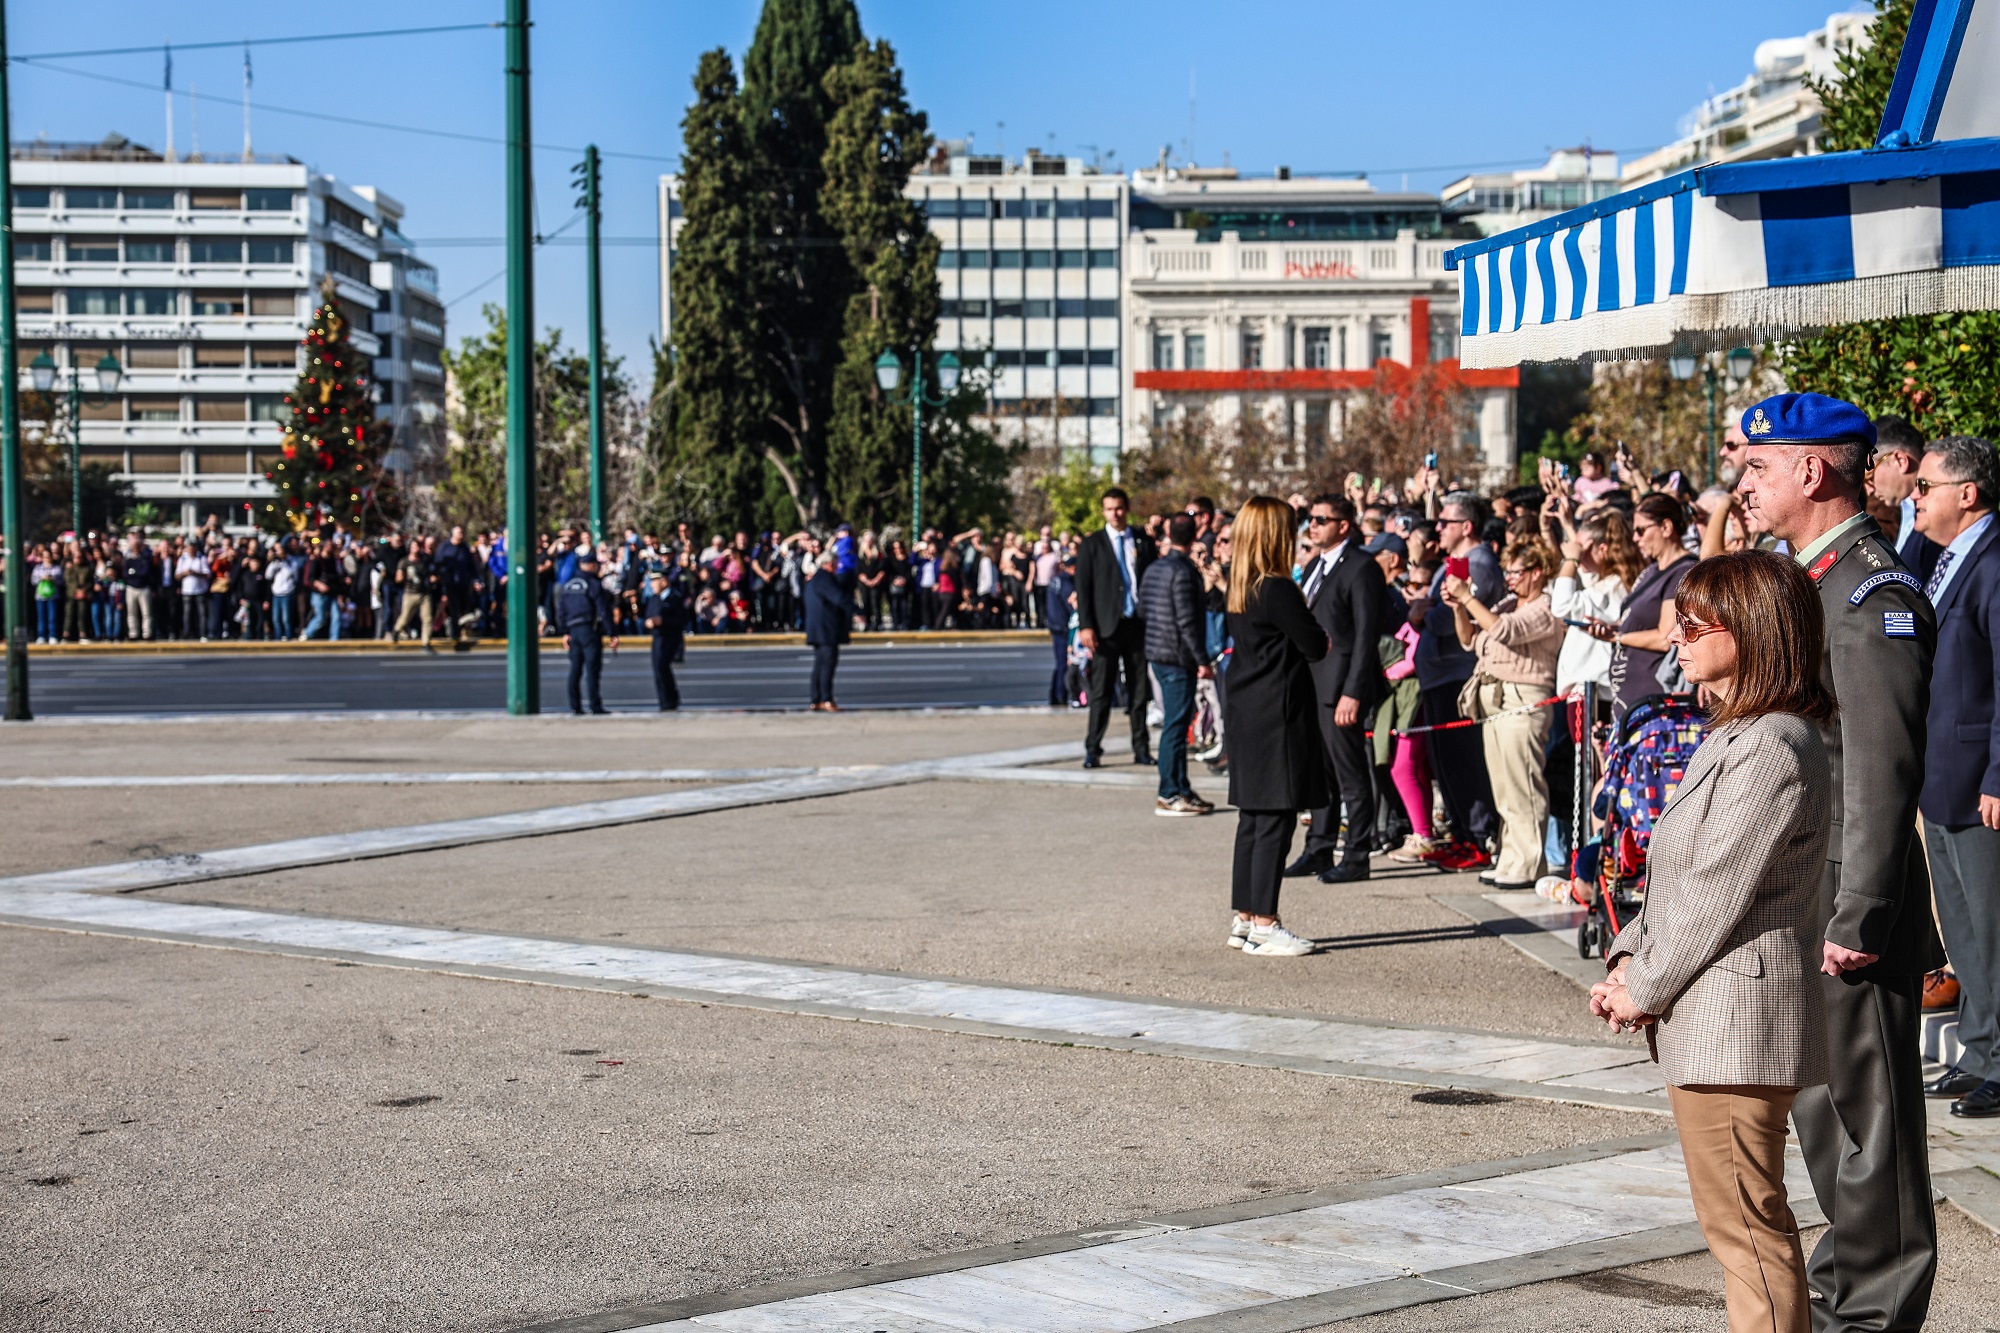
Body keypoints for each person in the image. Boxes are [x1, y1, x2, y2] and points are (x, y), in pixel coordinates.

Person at [1736, 391, 1944, 1332]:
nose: (1743, 484)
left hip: (1845, 900)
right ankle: (1846, 1283)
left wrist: (1858, 914)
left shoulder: (1868, 592)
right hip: (1804, 891)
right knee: (1825, 1114)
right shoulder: (1813, 581)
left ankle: (1879, 1306)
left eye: (1757, 467)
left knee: (1871, 1124)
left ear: (1811, 471)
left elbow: (1878, 767)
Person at [1592, 549, 1837, 1333]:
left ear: (1754, 631)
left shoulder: (1772, 744)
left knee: (1748, 1235)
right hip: (1715, 1012)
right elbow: (1681, 871)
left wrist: (1643, 983)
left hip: (1736, 1019)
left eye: (1697, 622)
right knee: (1739, 1227)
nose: (1678, 635)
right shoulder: (1743, 733)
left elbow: (1715, 888)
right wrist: (1629, 952)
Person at [1907, 437, 2000, 1116]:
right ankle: (1978, 1047)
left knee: (1993, 925)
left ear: (1967, 493)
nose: (1914, 496)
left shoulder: (1993, 561)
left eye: (1925, 486)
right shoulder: (1945, 556)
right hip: (1942, 775)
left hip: (1979, 778)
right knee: (1964, 926)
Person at [1221, 496, 1328, 957]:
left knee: (1253, 818)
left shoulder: (1241, 585)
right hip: (1277, 712)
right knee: (1275, 820)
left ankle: (1246, 916)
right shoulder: (1277, 588)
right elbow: (1315, 644)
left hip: (1248, 708)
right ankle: (1264, 921)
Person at [1444, 536, 1563, 889]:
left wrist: (1468, 597)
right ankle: (1511, 858)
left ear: (1537, 573)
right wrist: (1458, 607)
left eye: (1516, 571)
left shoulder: (1546, 607)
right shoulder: (1509, 602)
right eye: (1507, 571)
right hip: (1494, 698)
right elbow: (1470, 640)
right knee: (1503, 786)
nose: (1509, 578)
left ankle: (1529, 864)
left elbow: (1505, 632)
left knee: (1523, 783)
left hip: (1524, 699)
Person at [1287, 495, 1385, 884]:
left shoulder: (1361, 567)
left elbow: (1365, 636)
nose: (1313, 525)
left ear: (1343, 525)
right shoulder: (1314, 565)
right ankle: (1318, 847)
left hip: (1341, 687)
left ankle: (1358, 854)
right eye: (1310, 519)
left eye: (1321, 519)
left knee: (1351, 776)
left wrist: (1353, 691)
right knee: (1319, 774)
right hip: (1312, 683)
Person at [1413, 491, 1502, 871]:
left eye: (1445, 522)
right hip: (1437, 675)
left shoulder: (1477, 564)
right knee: (1445, 763)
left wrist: (1424, 612)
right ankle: (1462, 835)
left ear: (1466, 526)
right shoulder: (1447, 564)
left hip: (1457, 674)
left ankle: (1478, 838)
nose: (1438, 528)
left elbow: (1456, 620)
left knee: (1464, 761)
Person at [1074, 486, 1155, 769]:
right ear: (1103, 511)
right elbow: (1083, 588)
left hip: (1136, 625)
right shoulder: (1092, 544)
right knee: (1101, 692)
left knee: (1139, 691)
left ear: (1127, 509)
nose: (1115, 514)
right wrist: (1086, 626)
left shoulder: (1143, 540)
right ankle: (1093, 748)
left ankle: (1141, 748)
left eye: (1119, 508)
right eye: (1109, 509)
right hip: (1105, 628)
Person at [1138, 513, 1213, 816]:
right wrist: (1202, 659)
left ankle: (1180, 786)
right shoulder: (1183, 572)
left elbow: (1143, 607)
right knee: (1176, 726)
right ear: (1194, 536)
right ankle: (1169, 792)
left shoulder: (1155, 568)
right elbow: (1187, 621)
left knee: (1177, 724)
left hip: (1158, 652)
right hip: (1176, 656)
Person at [1597, 494, 1696, 723]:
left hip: (1653, 701)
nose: (1635, 538)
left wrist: (1616, 637)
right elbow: (1635, 624)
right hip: (1628, 697)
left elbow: (1665, 637)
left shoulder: (1683, 571)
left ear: (1666, 527)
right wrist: (1608, 629)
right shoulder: (1651, 571)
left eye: (1641, 530)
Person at [1868, 414, 1943, 584]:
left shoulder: (1939, 512)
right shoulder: (1906, 509)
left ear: (1900, 461)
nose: (1870, 488)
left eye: (1870, 475)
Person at [557, 551, 617, 715]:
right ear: (591, 565)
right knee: (592, 670)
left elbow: (561, 610)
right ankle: (595, 705)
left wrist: (565, 631)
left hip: (573, 630)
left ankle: (575, 706)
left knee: (575, 670)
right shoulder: (593, 584)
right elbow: (603, 610)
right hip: (589, 629)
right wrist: (612, 633)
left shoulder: (568, 585)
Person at [803, 534, 852, 712]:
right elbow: (839, 598)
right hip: (827, 628)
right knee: (827, 665)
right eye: (836, 564)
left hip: (817, 628)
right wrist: (857, 611)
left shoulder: (815, 579)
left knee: (819, 664)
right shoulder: (826, 579)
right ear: (829, 564)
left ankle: (815, 698)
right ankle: (826, 698)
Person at [642, 568, 690, 711]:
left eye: (655, 581)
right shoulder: (653, 599)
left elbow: (681, 619)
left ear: (663, 582)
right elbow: (648, 615)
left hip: (671, 637)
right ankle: (666, 701)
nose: (652, 585)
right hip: (658, 637)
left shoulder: (675, 597)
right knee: (659, 669)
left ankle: (670, 700)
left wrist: (663, 621)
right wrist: (649, 622)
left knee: (663, 666)